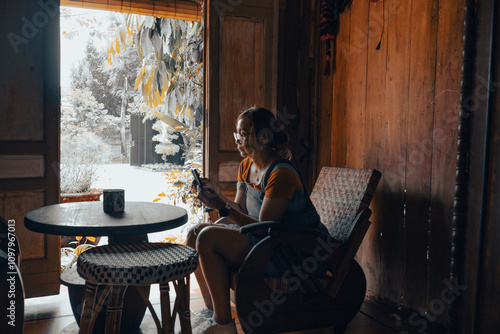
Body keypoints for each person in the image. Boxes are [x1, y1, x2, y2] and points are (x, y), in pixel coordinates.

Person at [186, 107, 327, 334]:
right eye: (237, 135)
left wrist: (220, 208)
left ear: (264, 137)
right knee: (195, 233)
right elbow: (240, 209)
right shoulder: (247, 165)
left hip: (294, 251)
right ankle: (212, 314)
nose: (238, 140)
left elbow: (264, 229)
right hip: (267, 240)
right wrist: (218, 196)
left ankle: (224, 325)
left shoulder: (281, 174)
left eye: (244, 134)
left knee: (208, 238)